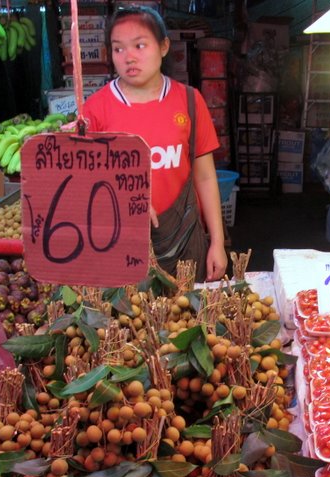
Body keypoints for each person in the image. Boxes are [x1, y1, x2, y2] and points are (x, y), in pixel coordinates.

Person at [82, 5, 227, 282]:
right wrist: (125, 200)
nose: (128, 57)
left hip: (184, 243)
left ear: (163, 47)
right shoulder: (95, 110)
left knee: (186, 320)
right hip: (119, 244)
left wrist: (217, 242)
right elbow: (86, 187)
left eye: (139, 45)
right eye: (118, 49)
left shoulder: (189, 101)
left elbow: (206, 177)